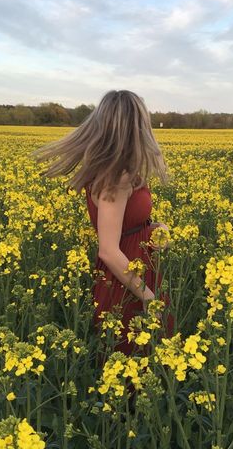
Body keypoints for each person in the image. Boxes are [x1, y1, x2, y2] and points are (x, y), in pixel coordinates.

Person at [30, 89, 175, 364]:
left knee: (150, 364)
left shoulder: (119, 171)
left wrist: (157, 227)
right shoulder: (115, 178)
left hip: (136, 274)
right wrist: (147, 296)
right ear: (134, 126)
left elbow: (126, 226)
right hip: (127, 284)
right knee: (134, 369)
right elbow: (108, 249)